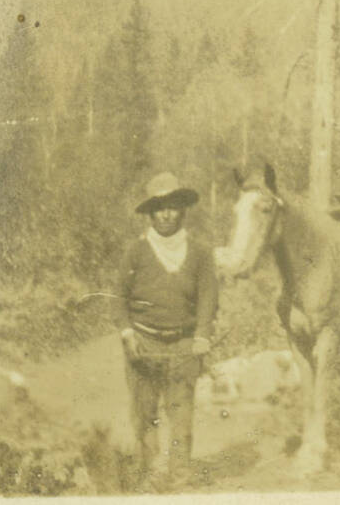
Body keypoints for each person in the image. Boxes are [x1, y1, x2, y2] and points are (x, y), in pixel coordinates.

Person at [116, 172, 218, 489]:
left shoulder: (200, 251)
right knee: (144, 411)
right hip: (144, 341)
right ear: (150, 213)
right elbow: (118, 297)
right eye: (159, 207)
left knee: (182, 412)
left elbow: (209, 295)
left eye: (172, 206)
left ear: (182, 209)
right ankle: (149, 473)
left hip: (184, 344)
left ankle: (180, 475)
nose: (166, 214)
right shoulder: (136, 250)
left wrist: (202, 334)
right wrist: (128, 334)